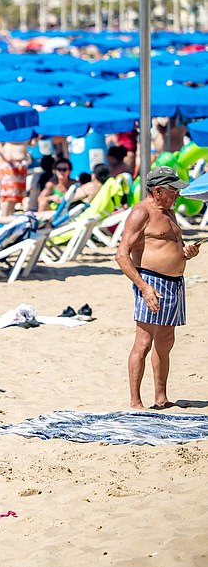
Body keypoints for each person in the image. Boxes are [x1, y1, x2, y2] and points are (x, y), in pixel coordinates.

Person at [115, 166, 200, 410]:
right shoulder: (141, 212)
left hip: (175, 284)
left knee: (165, 342)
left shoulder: (168, 210)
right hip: (151, 282)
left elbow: (167, 245)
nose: (178, 195)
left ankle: (161, 398)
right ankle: (135, 402)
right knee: (143, 343)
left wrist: (187, 253)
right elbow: (122, 255)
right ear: (158, 191)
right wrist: (144, 288)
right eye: (174, 190)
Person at [0, 141, 30, 219]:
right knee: (8, 194)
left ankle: (9, 218)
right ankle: (4, 217)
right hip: (7, 162)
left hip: (21, 164)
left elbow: (32, 143)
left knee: (17, 194)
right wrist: (4, 154)